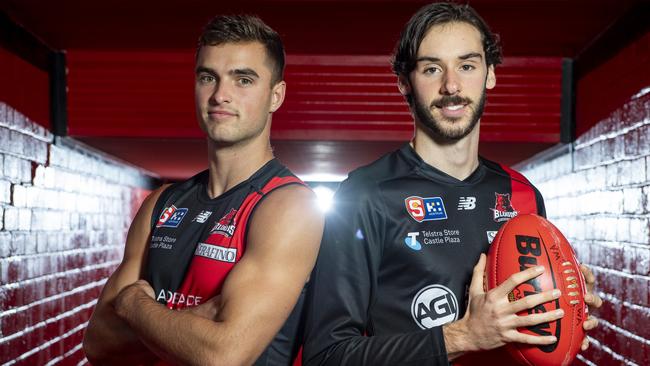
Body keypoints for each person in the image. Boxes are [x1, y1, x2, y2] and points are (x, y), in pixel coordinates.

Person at [302, 3, 602, 365]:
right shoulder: (366, 194)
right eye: (432, 68)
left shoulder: (521, 194)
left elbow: (528, 332)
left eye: (467, 65)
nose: (452, 85)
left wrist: (562, 311)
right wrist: (464, 336)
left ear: (489, 74)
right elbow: (327, 355)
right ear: (404, 83)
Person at [83, 15, 324, 365]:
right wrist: (195, 322)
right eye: (208, 77)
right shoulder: (160, 204)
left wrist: (134, 304)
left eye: (243, 79)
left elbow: (223, 355)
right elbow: (98, 343)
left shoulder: (288, 206)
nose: (220, 95)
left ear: (276, 95)